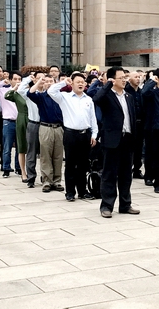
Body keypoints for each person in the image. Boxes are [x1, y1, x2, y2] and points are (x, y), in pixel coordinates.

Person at [92, 66, 140, 218]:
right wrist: (107, 84)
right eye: (121, 78)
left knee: (126, 175)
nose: (124, 80)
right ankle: (107, 206)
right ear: (113, 79)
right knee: (109, 174)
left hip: (127, 139)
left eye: (125, 78)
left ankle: (125, 204)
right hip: (112, 141)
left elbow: (132, 117)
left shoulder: (128, 96)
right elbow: (96, 99)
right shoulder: (107, 96)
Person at [48, 73, 98, 201]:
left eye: (82, 82)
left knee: (83, 164)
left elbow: (93, 119)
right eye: (78, 82)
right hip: (71, 134)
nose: (80, 84)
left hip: (85, 134)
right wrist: (64, 82)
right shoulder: (65, 97)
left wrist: (94, 134)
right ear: (72, 84)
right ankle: (70, 192)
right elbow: (51, 91)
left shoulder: (88, 99)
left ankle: (82, 191)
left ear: (85, 84)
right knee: (70, 164)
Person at [28, 74, 65, 193]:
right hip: (45, 127)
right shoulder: (41, 97)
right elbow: (30, 93)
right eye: (46, 81)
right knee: (45, 155)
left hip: (59, 128)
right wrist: (39, 81)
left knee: (58, 155)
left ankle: (57, 180)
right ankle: (47, 181)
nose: (49, 83)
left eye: (51, 81)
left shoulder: (61, 96)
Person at [0, 71, 22, 178]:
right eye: (15, 79)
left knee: (20, 147)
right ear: (10, 80)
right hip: (8, 121)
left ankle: (19, 168)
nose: (17, 81)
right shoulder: (3, 91)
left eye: (19, 79)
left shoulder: (23, 91)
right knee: (7, 147)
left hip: (20, 122)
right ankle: (6, 168)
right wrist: (2, 82)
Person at [18, 72, 42, 188]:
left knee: (45, 154)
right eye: (38, 78)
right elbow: (20, 90)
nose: (41, 80)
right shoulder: (29, 94)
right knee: (31, 152)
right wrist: (28, 78)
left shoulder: (49, 93)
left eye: (43, 78)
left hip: (46, 125)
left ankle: (46, 176)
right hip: (33, 124)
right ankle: (31, 177)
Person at [5, 78, 29, 183]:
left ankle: (33, 171)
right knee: (21, 147)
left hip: (33, 119)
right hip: (22, 120)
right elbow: (7, 95)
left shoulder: (32, 93)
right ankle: (23, 172)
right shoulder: (17, 94)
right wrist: (15, 87)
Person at [125, 71, 144, 179]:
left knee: (139, 148)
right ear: (129, 79)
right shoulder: (126, 90)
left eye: (139, 77)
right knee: (129, 147)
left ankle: (137, 169)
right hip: (130, 123)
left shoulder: (141, 91)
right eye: (135, 77)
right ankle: (127, 169)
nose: (138, 79)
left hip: (140, 123)